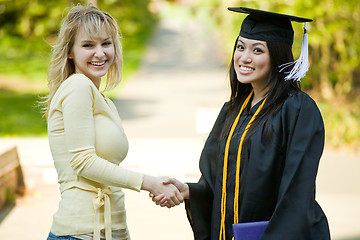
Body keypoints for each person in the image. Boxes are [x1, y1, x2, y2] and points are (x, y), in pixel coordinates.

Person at [152, 7, 331, 240]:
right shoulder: (232, 110)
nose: (244, 57)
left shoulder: (297, 110)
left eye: (257, 50)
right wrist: (189, 191)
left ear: (277, 56)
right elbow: (217, 182)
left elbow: (296, 193)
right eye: (240, 46)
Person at [44, 5, 183, 240]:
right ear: (69, 51)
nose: (100, 53)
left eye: (106, 43)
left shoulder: (103, 100)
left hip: (110, 229)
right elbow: (83, 161)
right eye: (88, 45)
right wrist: (149, 183)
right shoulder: (77, 86)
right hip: (80, 232)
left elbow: (108, 177)